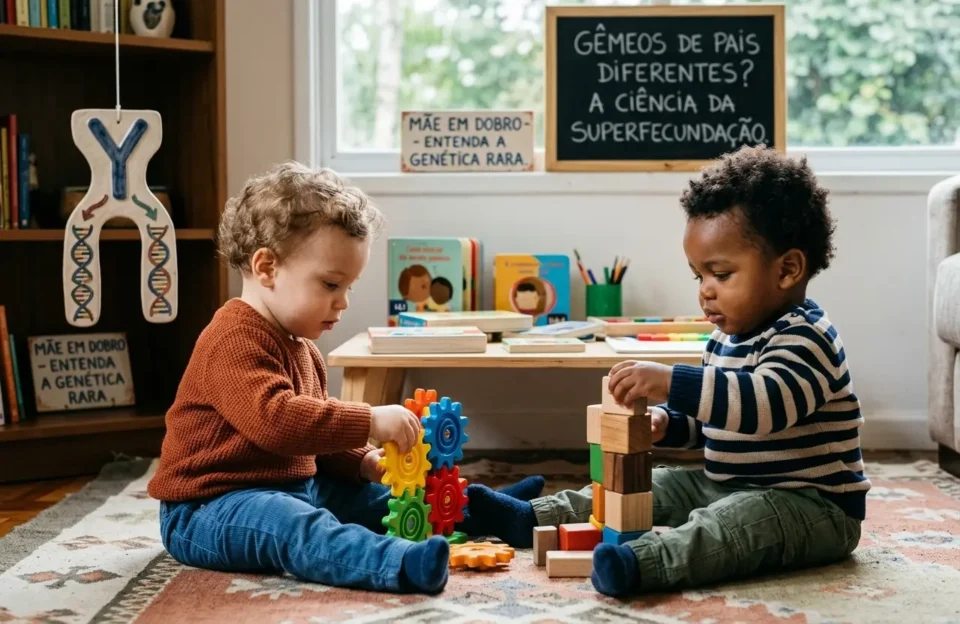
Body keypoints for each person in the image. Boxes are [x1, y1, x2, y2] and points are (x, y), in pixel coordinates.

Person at [479, 145, 870, 596]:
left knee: (728, 526)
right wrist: (669, 423)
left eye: (721, 274)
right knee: (654, 484)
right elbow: (715, 421)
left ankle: (644, 564)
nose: (705, 291)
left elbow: (762, 408)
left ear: (787, 270)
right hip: (728, 484)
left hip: (812, 506)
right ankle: (531, 517)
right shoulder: (724, 338)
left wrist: (670, 382)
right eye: (698, 276)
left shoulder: (807, 337)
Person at [147, 162, 543, 594]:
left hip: (295, 485)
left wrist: (362, 461)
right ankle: (399, 563)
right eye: (331, 285)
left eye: (349, 287)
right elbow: (278, 422)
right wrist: (369, 420)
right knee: (294, 525)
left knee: (393, 501)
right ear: (266, 268)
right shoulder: (232, 339)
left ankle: (491, 511)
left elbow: (316, 436)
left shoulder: (301, 346)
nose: (344, 302)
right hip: (209, 507)